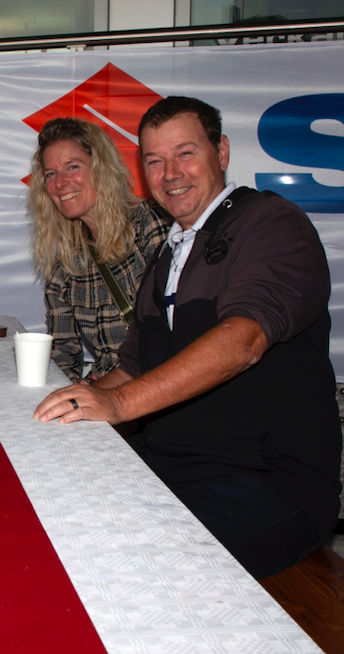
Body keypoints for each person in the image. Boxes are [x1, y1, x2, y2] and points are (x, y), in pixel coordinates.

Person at [33, 97, 341, 579]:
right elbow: (129, 368)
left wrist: (117, 406)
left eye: (185, 153)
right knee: (52, 515)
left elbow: (243, 341)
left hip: (268, 483)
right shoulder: (170, 255)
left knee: (115, 565)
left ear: (221, 152)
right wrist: (67, 407)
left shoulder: (271, 224)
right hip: (172, 467)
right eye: (155, 160)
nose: (170, 173)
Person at [28, 117, 169, 381]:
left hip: (159, 386)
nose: (60, 183)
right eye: (50, 174)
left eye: (73, 167)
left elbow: (175, 330)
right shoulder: (65, 265)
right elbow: (62, 354)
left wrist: (106, 388)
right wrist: (67, 391)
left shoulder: (151, 225)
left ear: (101, 168)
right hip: (104, 393)